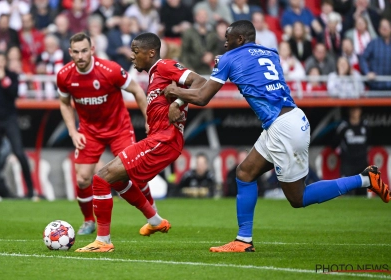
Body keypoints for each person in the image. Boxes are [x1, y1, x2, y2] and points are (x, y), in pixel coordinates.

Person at [164, 20, 390, 253]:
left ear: (240, 39)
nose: (224, 42)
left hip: (283, 127)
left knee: (298, 198)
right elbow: (251, 71)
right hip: (285, 121)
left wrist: (174, 91)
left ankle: (365, 180)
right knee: (244, 172)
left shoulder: (230, 58)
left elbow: (202, 98)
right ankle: (243, 240)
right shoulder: (269, 52)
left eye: (228, 38)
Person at [74, 32, 206, 252]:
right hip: (158, 139)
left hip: (164, 141)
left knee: (100, 179)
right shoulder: (155, 74)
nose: (132, 57)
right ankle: (155, 221)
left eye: (136, 52)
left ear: (151, 52)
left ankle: (103, 242)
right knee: (115, 180)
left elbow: (201, 82)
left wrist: (179, 101)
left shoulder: (164, 66)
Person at [57, 32, 150, 235]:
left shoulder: (110, 70)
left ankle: (152, 215)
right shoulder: (64, 75)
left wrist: (148, 119)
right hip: (89, 132)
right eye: (76, 52)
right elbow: (64, 104)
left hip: (119, 129)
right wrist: (73, 131)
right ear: (70, 52)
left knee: (135, 174)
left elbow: (137, 91)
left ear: (92, 50)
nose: (80, 56)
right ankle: (89, 221)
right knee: (82, 179)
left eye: (84, 51)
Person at [0, 50, 35, 200]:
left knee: (19, 153)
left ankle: (30, 190)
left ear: (5, 62)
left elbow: (14, 93)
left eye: (1, 60)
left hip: (9, 118)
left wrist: (3, 79)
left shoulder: (11, 76)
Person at [332, 107, 370, 196]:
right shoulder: (344, 126)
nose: (355, 112)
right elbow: (334, 143)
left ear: (360, 111)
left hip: (362, 163)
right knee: (346, 192)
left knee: (362, 194)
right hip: (348, 164)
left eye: (357, 109)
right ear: (349, 111)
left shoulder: (365, 125)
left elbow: (369, 141)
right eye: (353, 110)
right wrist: (340, 153)